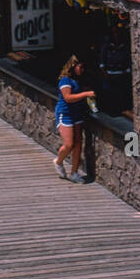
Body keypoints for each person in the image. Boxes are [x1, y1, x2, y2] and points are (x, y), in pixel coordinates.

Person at [53, 54, 95, 183]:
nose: (82, 70)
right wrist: (85, 94)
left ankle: (74, 173)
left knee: (78, 144)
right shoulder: (65, 80)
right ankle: (58, 161)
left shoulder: (78, 80)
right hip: (65, 114)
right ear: (73, 66)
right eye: (80, 67)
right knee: (69, 144)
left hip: (77, 114)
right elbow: (68, 97)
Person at [98, 25, 131, 116]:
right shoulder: (107, 47)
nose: (117, 35)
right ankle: (111, 111)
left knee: (121, 94)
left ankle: (122, 110)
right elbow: (101, 64)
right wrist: (106, 75)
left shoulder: (125, 47)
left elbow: (128, 62)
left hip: (121, 75)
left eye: (118, 33)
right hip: (109, 75)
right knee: (110, 94)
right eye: (115, 33)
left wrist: (125, 73)